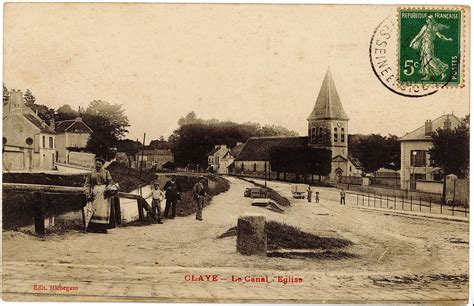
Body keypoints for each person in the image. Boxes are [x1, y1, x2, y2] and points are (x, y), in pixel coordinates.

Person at [409, 15, 452, 80]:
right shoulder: (425, 27)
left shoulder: (434, 28)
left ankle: (442, 72)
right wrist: (412, 42)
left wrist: (447, 39)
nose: (428, 20)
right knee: (425, 59)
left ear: (431, 20)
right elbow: (419, 35)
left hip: (429, 45)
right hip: (424, 45)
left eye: (429, 19)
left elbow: (440, 36)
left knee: (430, 59)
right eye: (427, 19)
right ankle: (428, 75)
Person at [84, 157, 115, 234]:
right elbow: (87, 184)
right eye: (96, 164)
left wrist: (108, 188)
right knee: (95, 210)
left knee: (104, 210)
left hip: (104, 194)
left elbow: (111, 182)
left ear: (102, 165)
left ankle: (103, 228)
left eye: (99, 164)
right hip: (95, 193)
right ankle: (95, 228)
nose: (98, 166)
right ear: (94, 164)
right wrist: (87, 193)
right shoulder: (91, 173)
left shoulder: (106, 172)